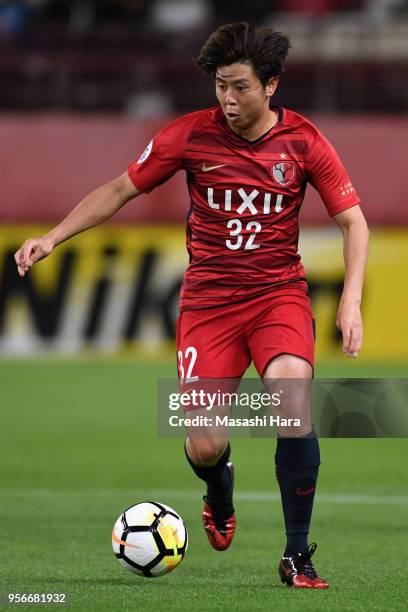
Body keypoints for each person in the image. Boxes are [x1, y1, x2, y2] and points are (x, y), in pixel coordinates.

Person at [14, 22, 369, 589]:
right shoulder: (189, 136)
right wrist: (53, 237)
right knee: (205, 441)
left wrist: (349, 302)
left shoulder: (304, 142)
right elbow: (117, 190)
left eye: (239, 87)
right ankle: (218, 489)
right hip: (209, 305)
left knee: (292, 404)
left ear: (271, 85)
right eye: (219, 87)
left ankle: (297, 555)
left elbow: (353, 222)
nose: (227, 99)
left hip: (278, 296)